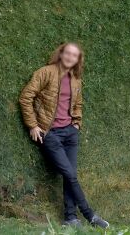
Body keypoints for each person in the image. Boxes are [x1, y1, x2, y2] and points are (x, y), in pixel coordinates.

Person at [18, 41, 109, 228]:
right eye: (67, 53)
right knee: (70, 174)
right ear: (61, 54)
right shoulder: (45, 72)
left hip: (70, 133)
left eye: (74, 55)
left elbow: (78, 104)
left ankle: (70, 218)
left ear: (78, 60)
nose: (70, 57)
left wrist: (76, 123)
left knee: (70, 175)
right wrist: (33, 125)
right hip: (50, 134)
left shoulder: (76, 79)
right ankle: (90, 215)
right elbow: (26, 97)